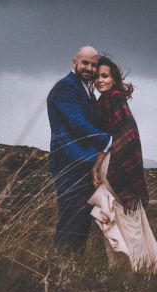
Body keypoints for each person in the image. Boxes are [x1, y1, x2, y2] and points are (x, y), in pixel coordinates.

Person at [88, 56, 157, 270]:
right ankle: (136, 270)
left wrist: (101, 162)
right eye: (97, 77)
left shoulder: (113, 99)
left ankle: (137, 270)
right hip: (114, 170)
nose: (100, 81)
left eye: (105, 76)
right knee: (123, 222)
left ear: (114, 79)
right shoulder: (107, 100)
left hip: (116, 170)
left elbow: (127, 133)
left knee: (124, 222)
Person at [47, 46, 112, 251]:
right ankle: (60, 265)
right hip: (70, 162)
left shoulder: (84, 89)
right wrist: (108, 141)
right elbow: (78, 123)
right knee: (71, 216)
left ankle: (72, 267)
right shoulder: (65, 88)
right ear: (74, 62)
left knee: (82, 218)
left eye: (94, 65)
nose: (89, 68)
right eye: (85, 63)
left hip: (84, 162)